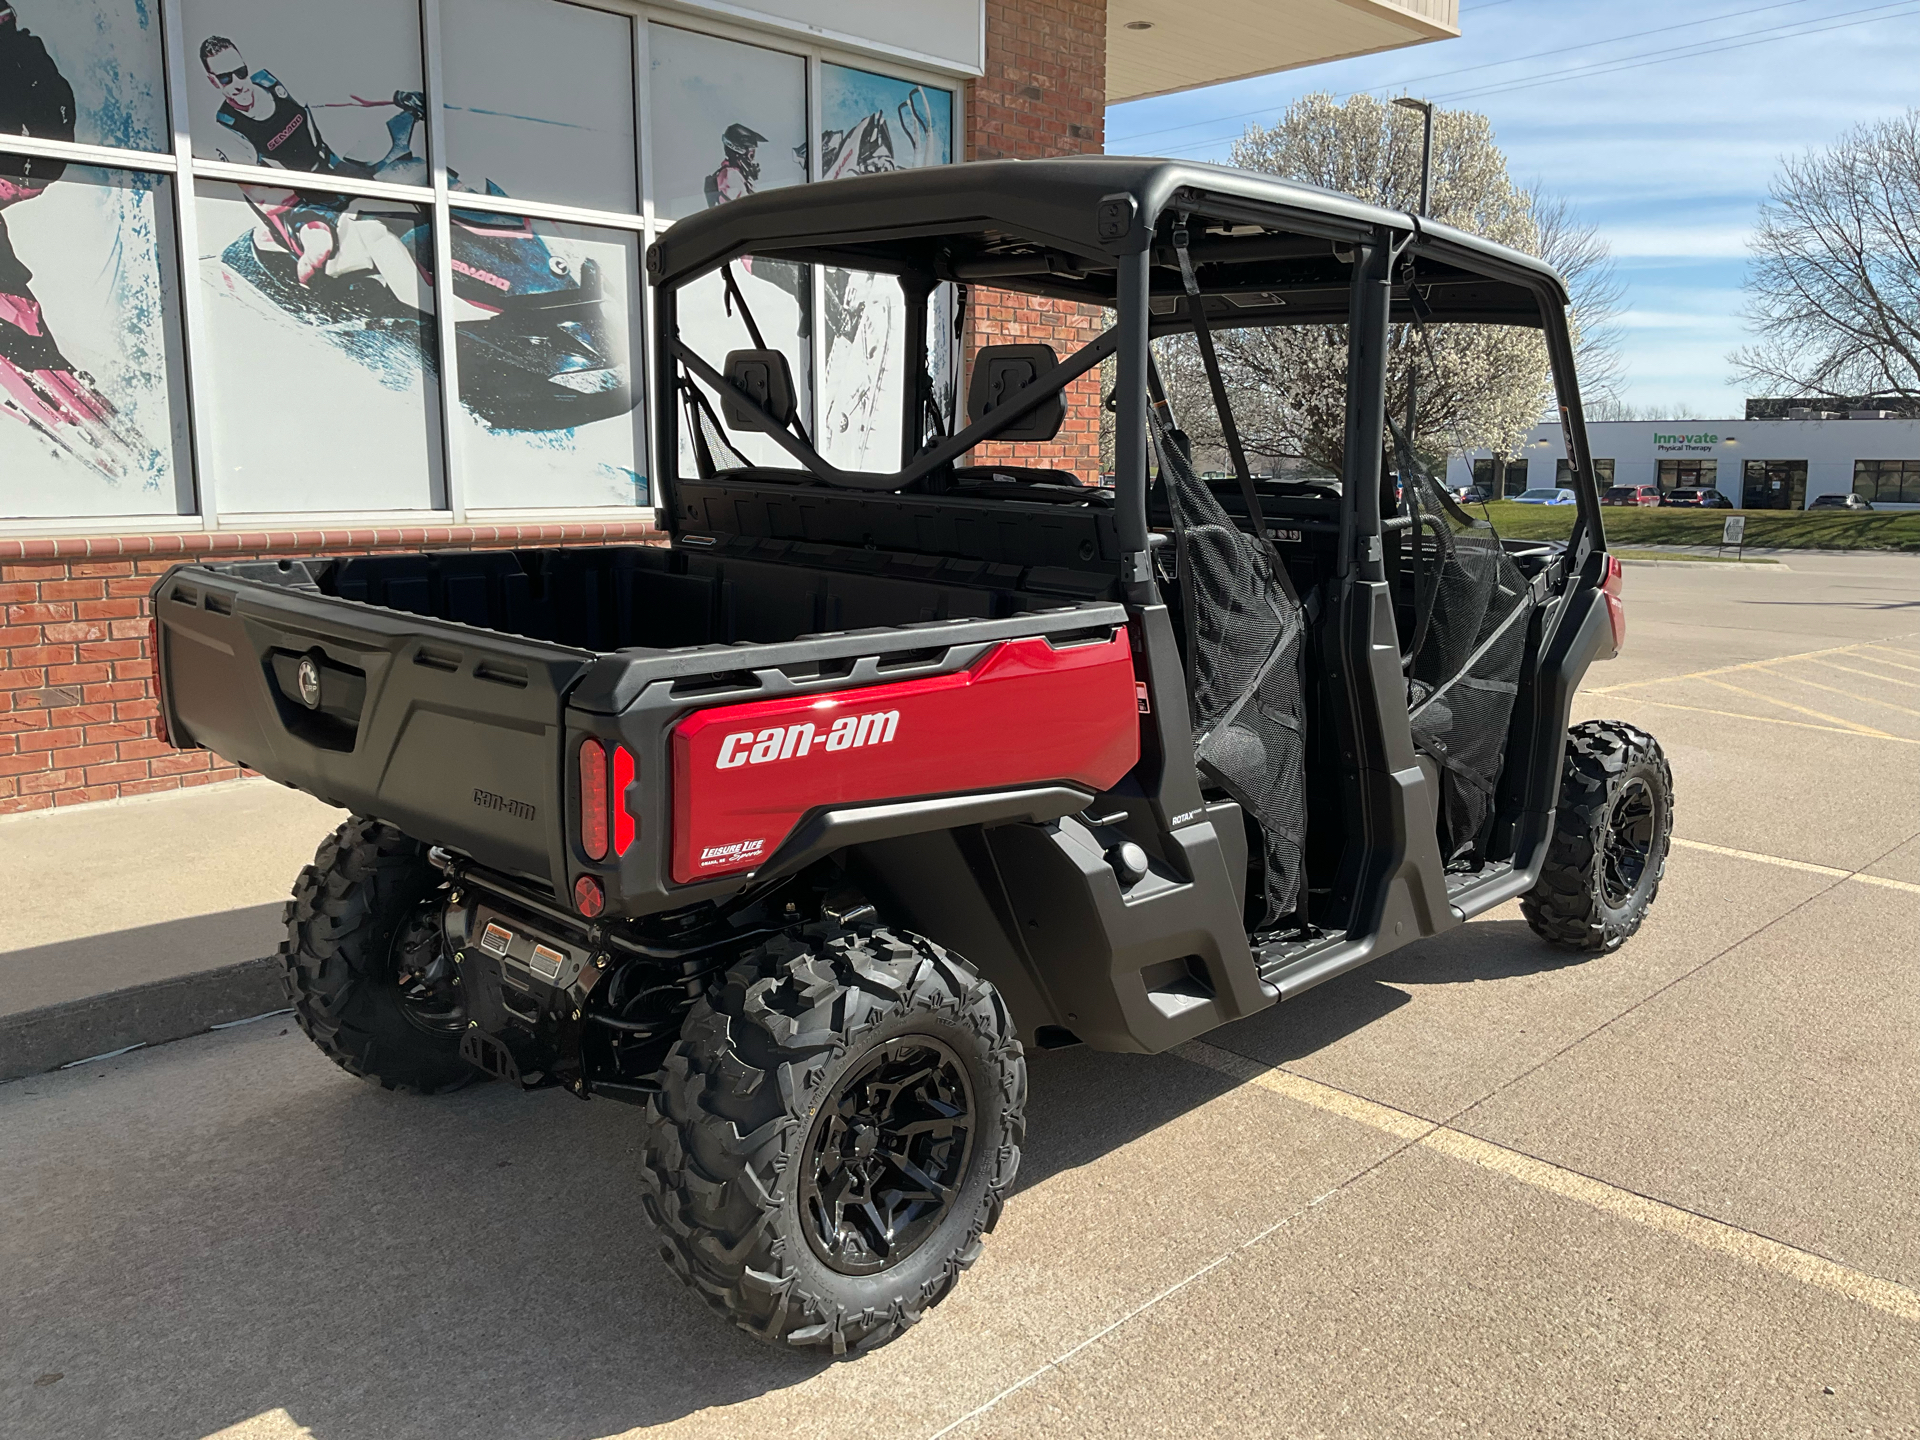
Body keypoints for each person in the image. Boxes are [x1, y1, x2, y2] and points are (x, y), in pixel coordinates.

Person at [198, 35, 452, 315]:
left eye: (240, 73)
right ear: (213, 81)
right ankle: (315, 307)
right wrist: (297, 216)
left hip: (332, 172)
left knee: (406, 186)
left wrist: (397, 98)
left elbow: (344, 95)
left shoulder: (276, 85)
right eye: (225, 79)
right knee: (320, 250)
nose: (237, 84)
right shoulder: (227, 128)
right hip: (297, 202)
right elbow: (256, 191)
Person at [703, 123, 765, 208]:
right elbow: (747, 208)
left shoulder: (732, 174)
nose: (753, 160)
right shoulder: (731, 175)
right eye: (751, 155)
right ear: (739, 150)